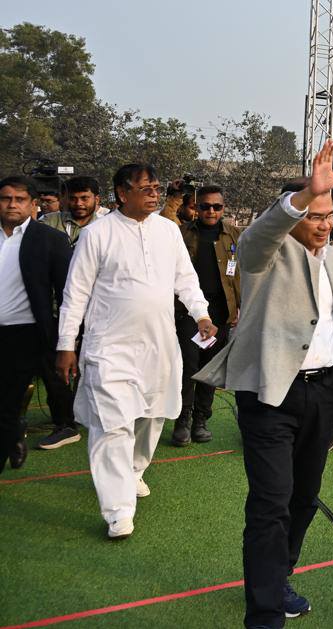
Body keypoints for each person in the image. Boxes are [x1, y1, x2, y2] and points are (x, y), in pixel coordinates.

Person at [193, 143, 333, 628]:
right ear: (295, 214)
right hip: (271, 394)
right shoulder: (265, 252)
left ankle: (279, 576)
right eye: (314, 215)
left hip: (324, 394)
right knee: (270, 503)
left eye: (329, 216)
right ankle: (264, 613)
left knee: (304, 498)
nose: (324, 224)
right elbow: (259, 235)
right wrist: (307, 192)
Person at [55, 164, 216, 540]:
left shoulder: (167, 231)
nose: (155, 194)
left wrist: (202, 314)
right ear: (122, 193)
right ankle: (118, 510)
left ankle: (134, 471)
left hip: (158, 344)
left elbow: (185, 278)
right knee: (112, 425)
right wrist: (66, 344)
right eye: (146, 188)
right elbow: (75, 293)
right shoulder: (97, 234)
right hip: (109, 347)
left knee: (153, 415)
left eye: (157, 188)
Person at [0, 176, 72, 471]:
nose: (12, 204)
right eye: (6, 198)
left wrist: (67, 339)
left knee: (7, 402)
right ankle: (14, 433)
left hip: (25, 334)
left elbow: (66, 292)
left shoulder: (50, 239)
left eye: (19, 199)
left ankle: (9, 436)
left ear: (33, 204)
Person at [173, 184, 242, 445]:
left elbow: (241, 275)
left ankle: (201, 420)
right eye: (204, 206)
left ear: (223, 208)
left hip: (221, 313)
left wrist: (239, 307)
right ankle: (182, 420)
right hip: (188, 312)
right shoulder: (180, 234)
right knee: (189, 366)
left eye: (216, 206)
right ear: (196, 208)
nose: (211, 211)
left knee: (210, 368)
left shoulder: (234, 235)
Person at [39, 175, 105, 243]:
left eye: (84, 198)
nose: (78, 203)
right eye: (73, 199)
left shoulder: (104, 226)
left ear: (96, 200)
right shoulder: (50, 221)